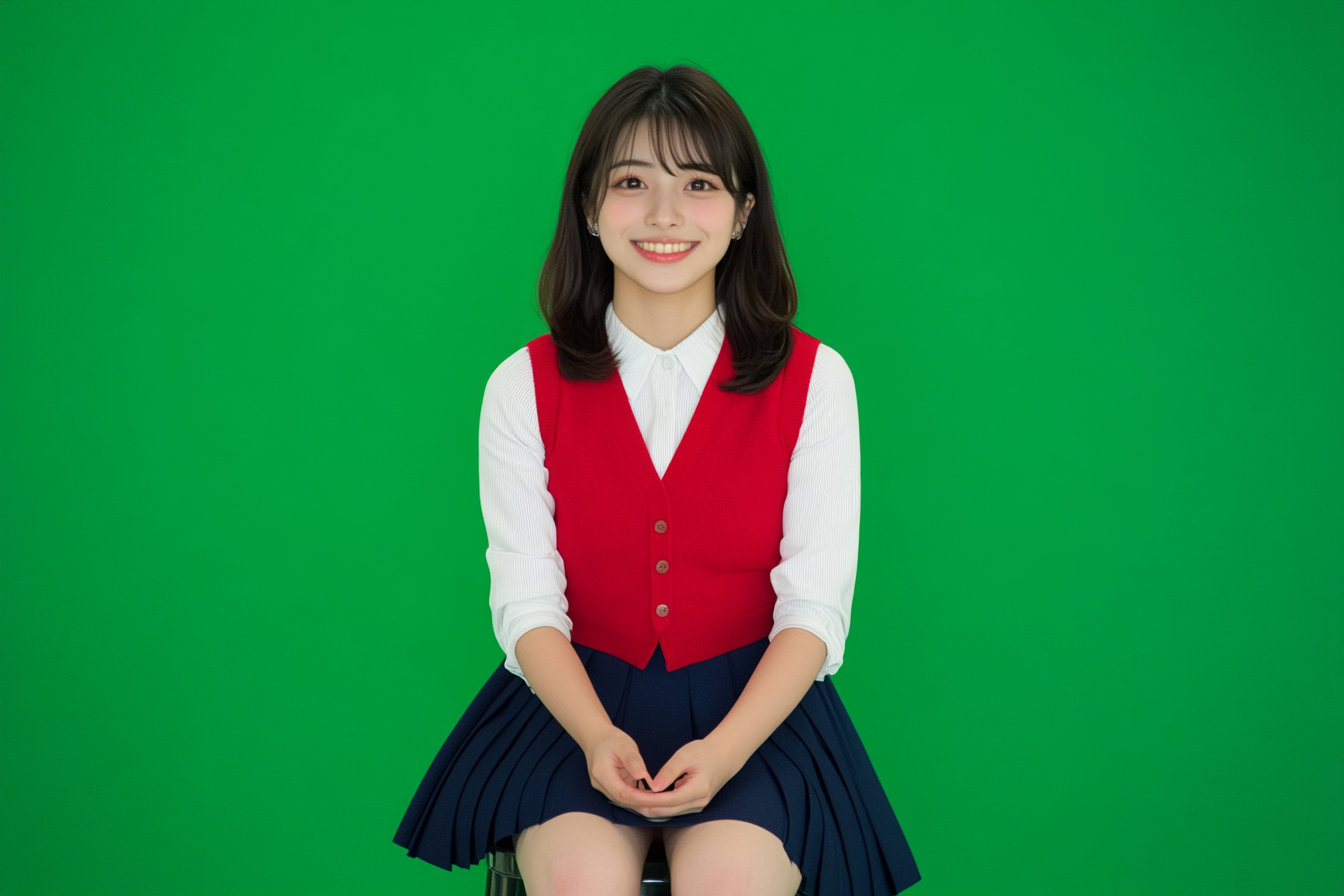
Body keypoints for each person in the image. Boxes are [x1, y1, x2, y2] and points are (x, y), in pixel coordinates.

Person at [393, 64, 921, 896]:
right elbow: (527, 605)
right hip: (573, 709)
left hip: (755, 715)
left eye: (700, 183)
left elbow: (815, 611)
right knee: (580, 885)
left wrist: (724, 749)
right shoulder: (518, 387)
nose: (666, 215)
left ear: (745, 213)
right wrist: (596, 735)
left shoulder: (818, 381)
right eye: (631, 182)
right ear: (590, 209)